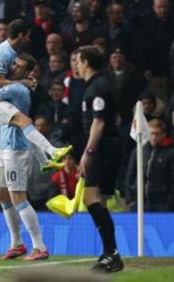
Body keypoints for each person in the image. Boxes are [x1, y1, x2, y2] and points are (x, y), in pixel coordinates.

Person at [0, 53, 49, 261]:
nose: (14, 67)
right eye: (14, 64)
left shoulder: (18, 89)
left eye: (19, 66)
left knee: (18, 197)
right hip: (5, 147)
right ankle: (17, 243)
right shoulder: (16, 85)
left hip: (16, 149)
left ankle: (39, 247)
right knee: (3, 195)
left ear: (27, 73)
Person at [0, 19, 72, 170]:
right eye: (27, 36)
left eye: (18, 66)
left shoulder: (9, 52)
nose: (28, 39)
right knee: (25, 122)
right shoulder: (5, 53)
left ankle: (45, 162)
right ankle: (53, 151)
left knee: (24, 125)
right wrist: (23, 81)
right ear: (20, 35)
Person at [76, 45, 123, 272]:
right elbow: (116, 118)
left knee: (90, 198)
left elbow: (100, 122)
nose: (75, 64)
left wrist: (88, 153)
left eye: (77, 60)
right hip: (110, 149)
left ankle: (111, 253)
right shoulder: (103, 85)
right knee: (101, 201)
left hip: (103, 152)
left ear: (85, 62)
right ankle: (109, 255)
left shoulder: (97, 88)